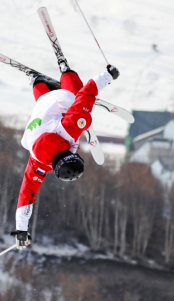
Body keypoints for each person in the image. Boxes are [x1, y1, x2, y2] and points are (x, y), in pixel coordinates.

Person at [10, 60, 120, 250]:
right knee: (50, 108)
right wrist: (21, 229)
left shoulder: (70, 128)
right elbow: (26, 194)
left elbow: (86, 93)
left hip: (58, 100)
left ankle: (66, 72)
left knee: (77, 103)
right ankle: (37, 82)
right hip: (37, 117)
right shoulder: (38, 164)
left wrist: (108, 76)